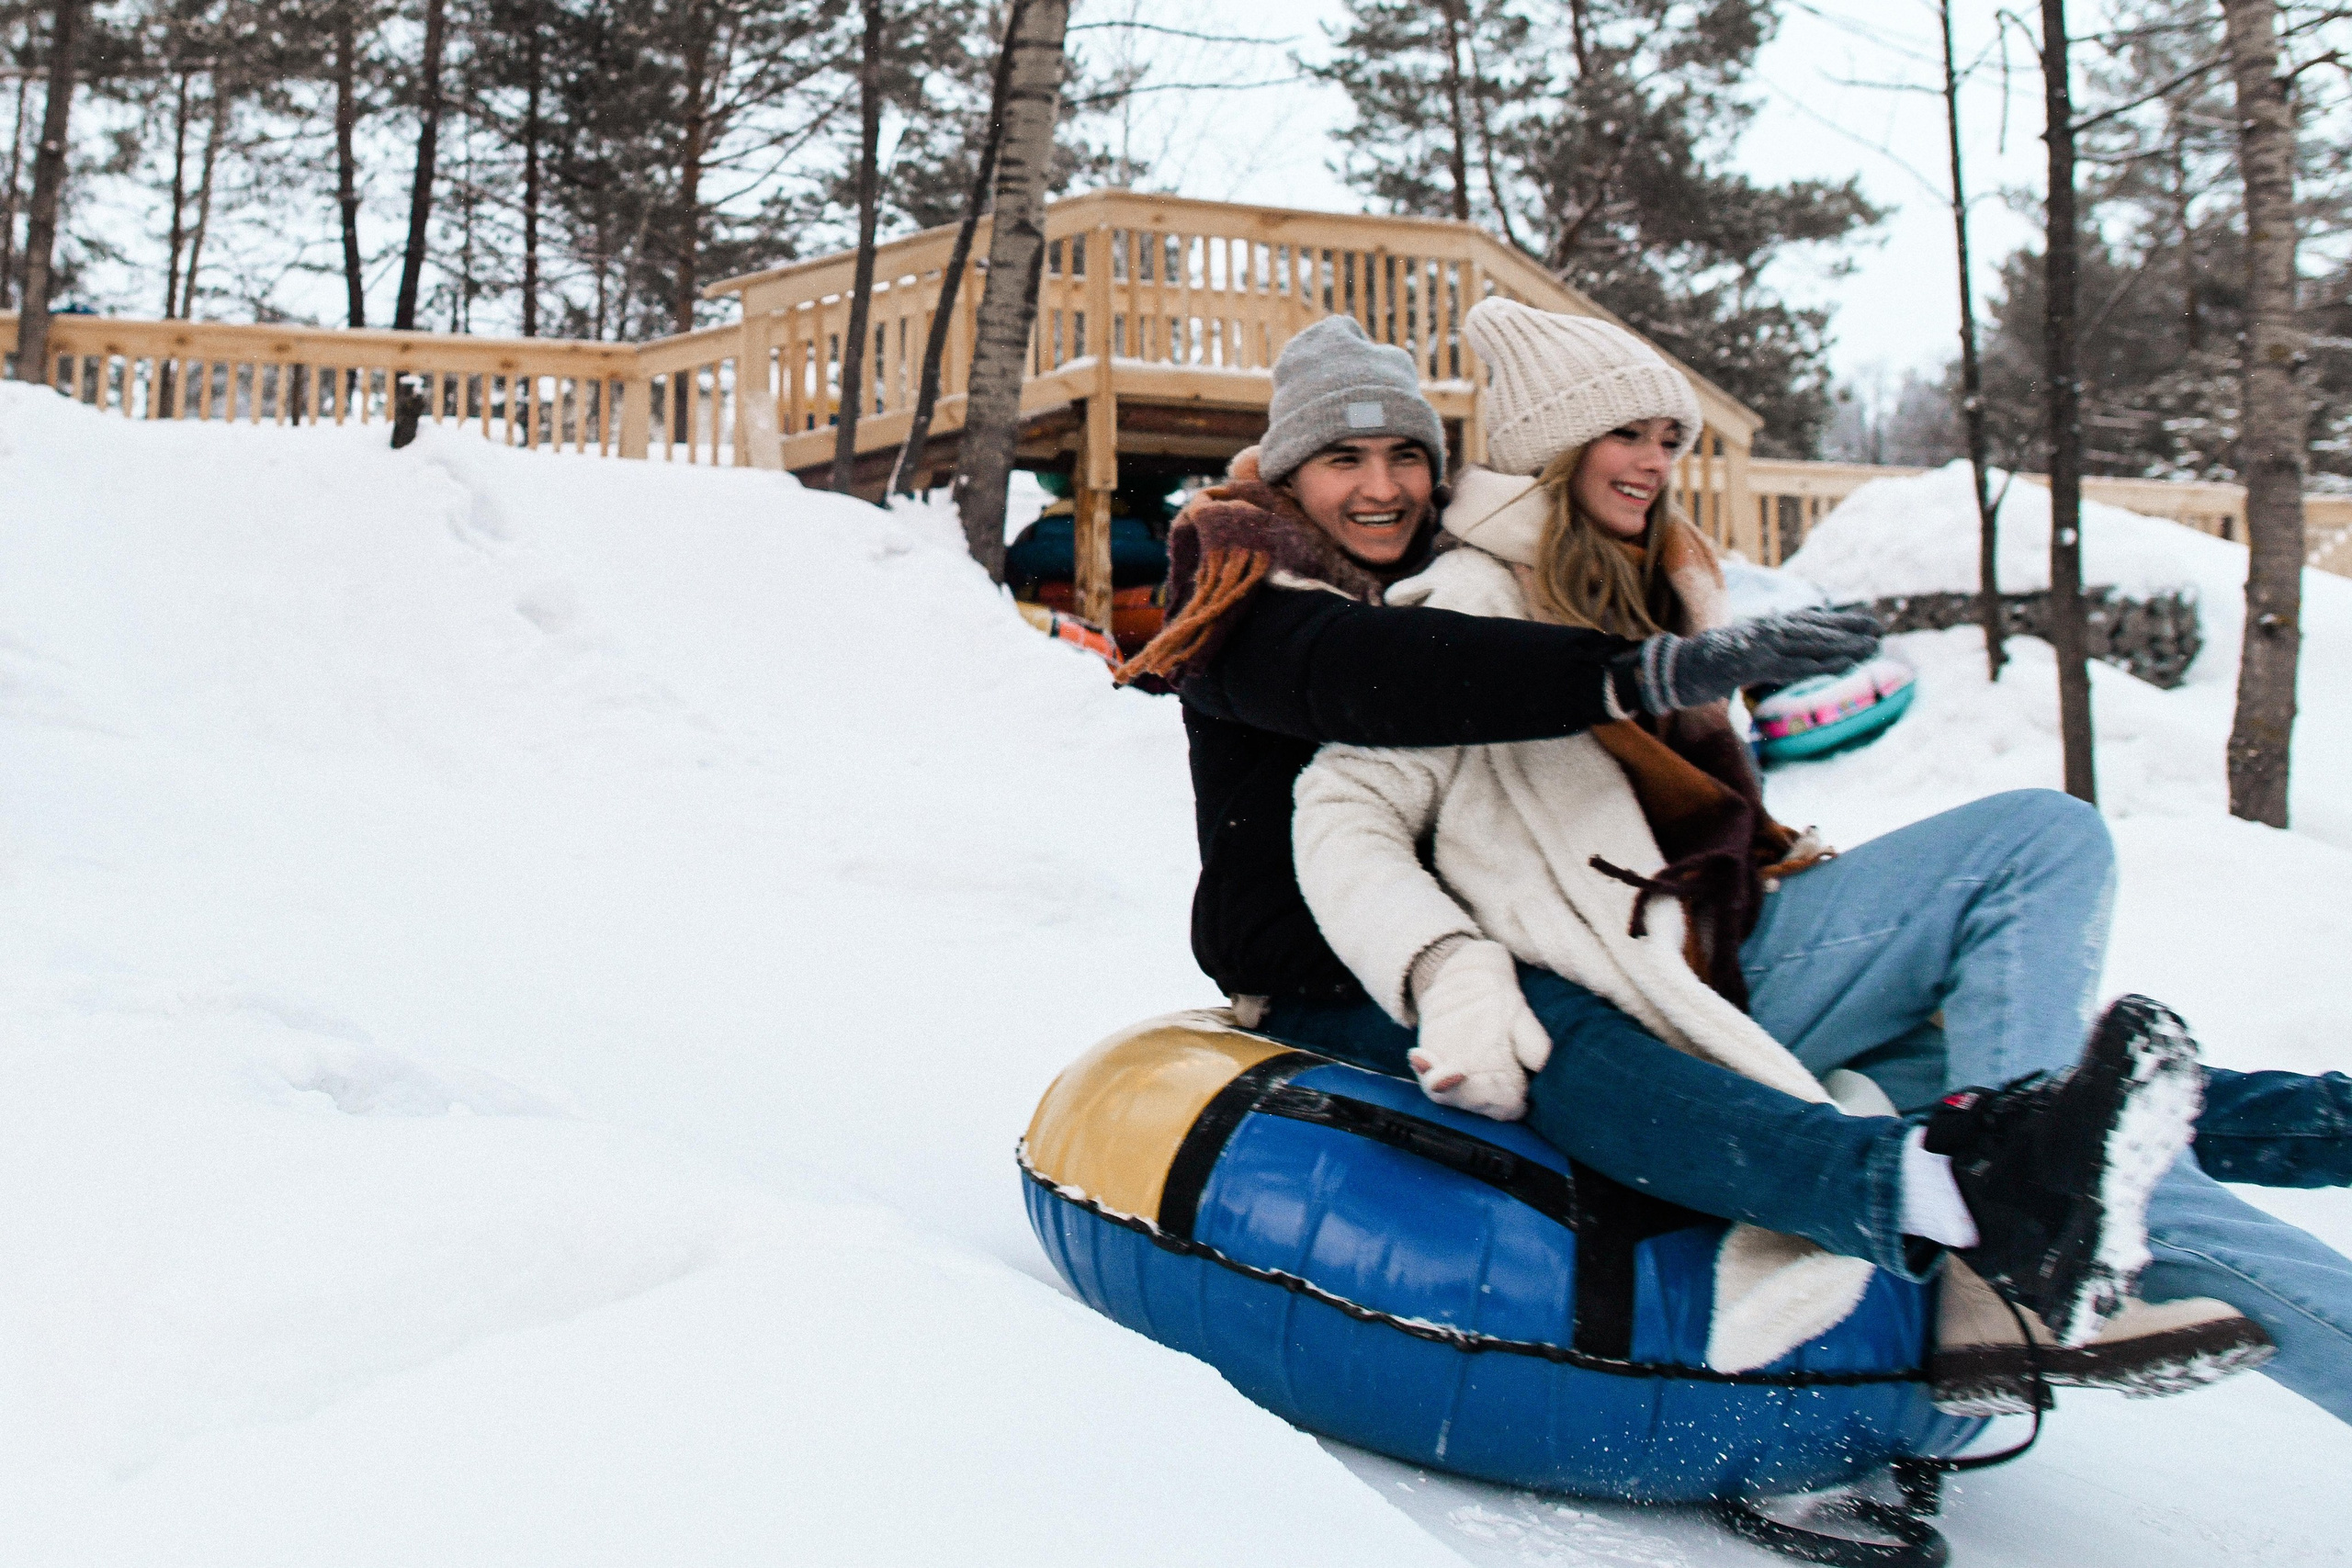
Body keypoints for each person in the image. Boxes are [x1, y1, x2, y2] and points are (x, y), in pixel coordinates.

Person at [1249, 298, 2352, 1423]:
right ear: (1553, 446)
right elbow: (1342, 806)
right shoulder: (1475, 602)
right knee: (2040, 843)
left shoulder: (1666, 583)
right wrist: (1443, 967)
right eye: (1626, 433)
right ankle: (2017, 1227)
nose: (1652, 461)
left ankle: (2028, 1227)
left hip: (1747, 941)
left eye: (1668, 438)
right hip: (1661, 987)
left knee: (2138, 1157)